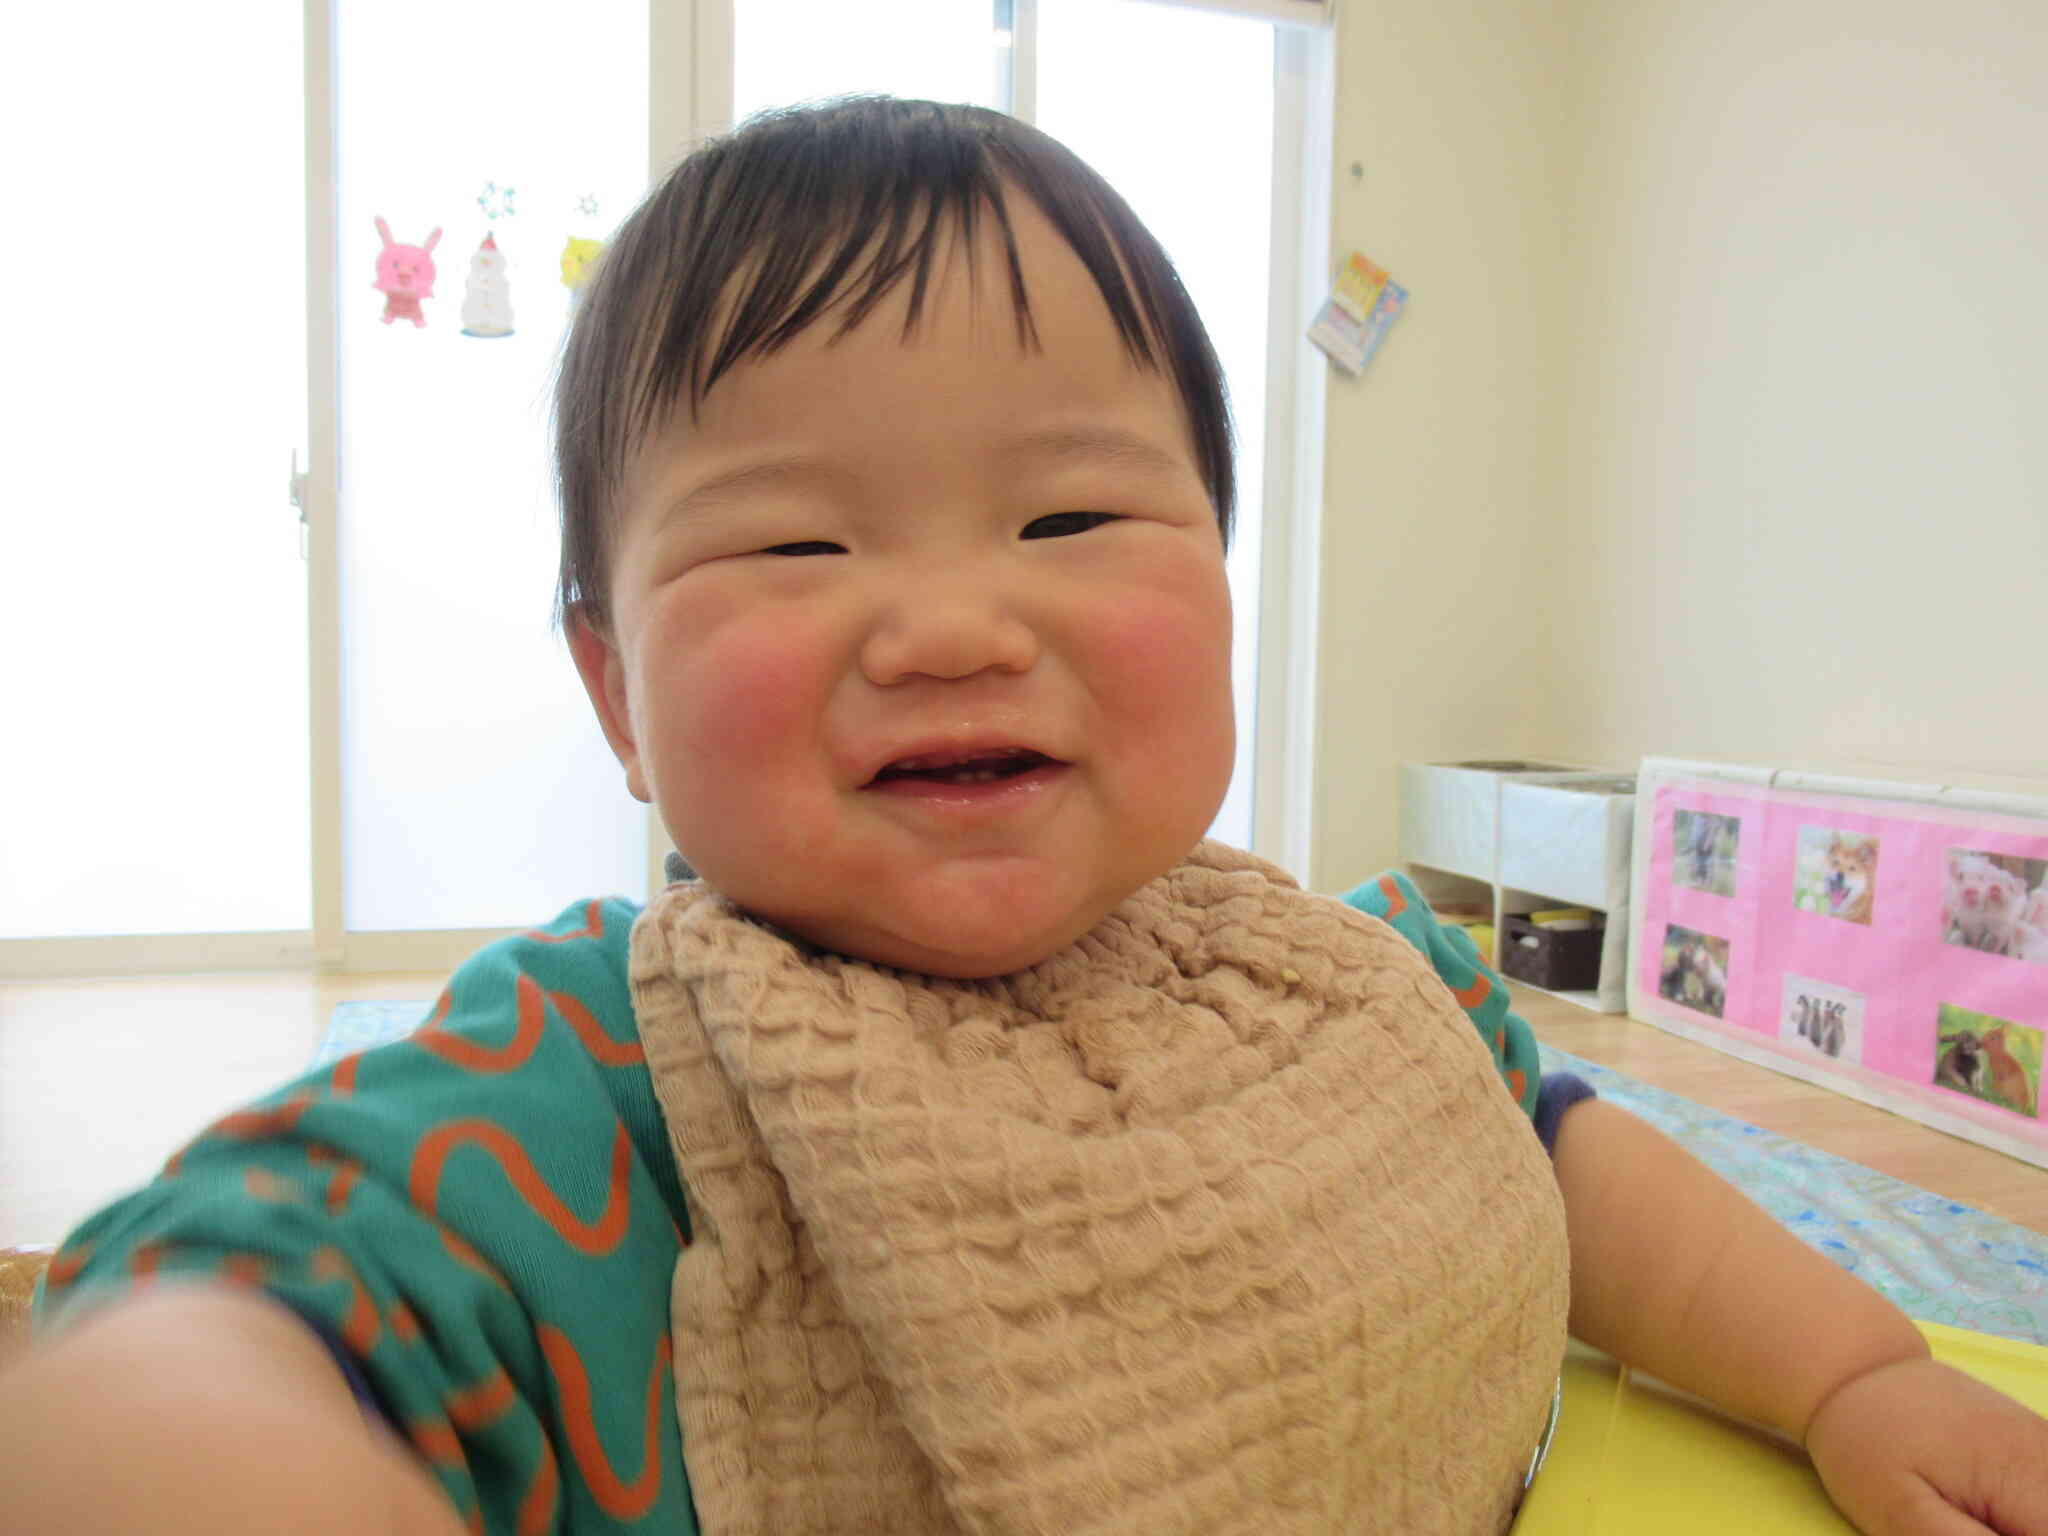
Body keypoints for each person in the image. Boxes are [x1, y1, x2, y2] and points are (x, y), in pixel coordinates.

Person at [3, 97, 2045, 1536]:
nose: (952, 621)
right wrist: (161, 1419)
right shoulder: (612, 1082)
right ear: (616, 690)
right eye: (794, 542)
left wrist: (1851, 1374)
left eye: (1070, 518)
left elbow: (1550, 1145)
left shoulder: (1343, 980)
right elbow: (265, 1293)